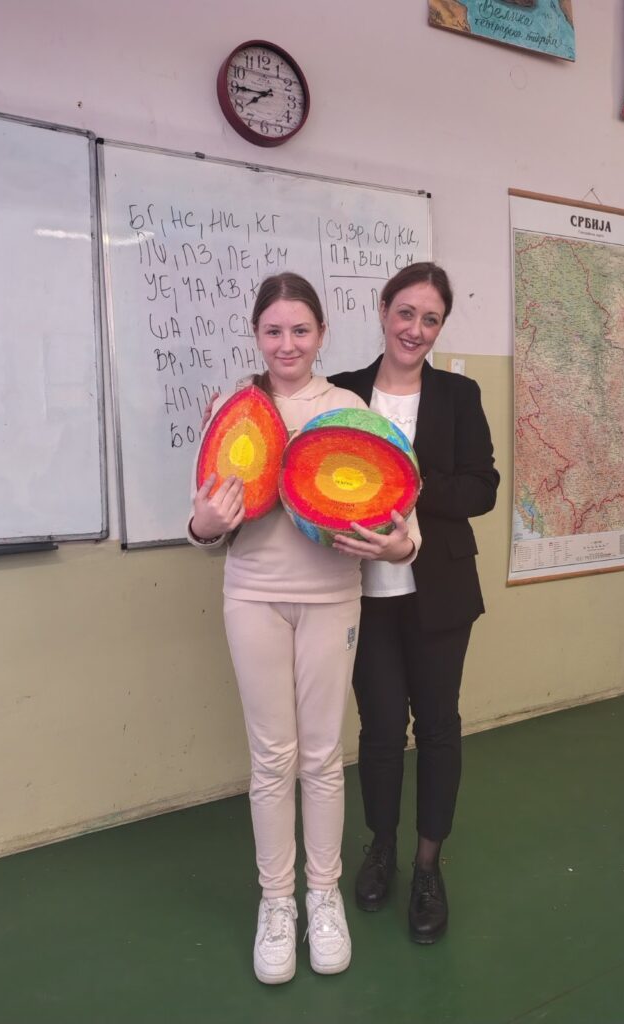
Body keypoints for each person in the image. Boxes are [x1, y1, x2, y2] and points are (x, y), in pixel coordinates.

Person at [188, 272, 420, 984]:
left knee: (320, 756)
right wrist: (206, 522)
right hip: (252, 595)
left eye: (300, 330)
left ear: (321, 334)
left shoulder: (347, 409)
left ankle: (323, 897)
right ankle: (277, 903)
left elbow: (404, 530)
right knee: (271, 759)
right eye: (273, 331)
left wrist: (396, 547)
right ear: (256, 335)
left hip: (330, 600)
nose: (286, 344)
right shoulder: (234, 408)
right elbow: (203, 526)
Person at [329, 261, 499, 944]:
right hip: (360, 595)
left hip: (440, 593)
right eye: (406, 313)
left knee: (437, 727)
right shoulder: (341, 390)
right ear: (383, 310)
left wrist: (410, 482)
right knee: (377, 730)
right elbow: (304, 460)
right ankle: (381, 846)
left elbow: (482, 488)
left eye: (431, 319)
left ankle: (428, 865)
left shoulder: (459, 395)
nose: (416, 329)